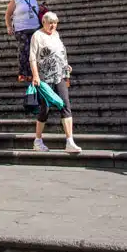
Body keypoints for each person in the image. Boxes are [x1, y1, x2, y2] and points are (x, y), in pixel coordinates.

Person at [29, 11, 81, 154]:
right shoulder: (37, 36)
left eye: (55, 23)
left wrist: (66, 66)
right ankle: (37, 141)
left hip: (59, 76)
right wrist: (35, 76)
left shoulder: (56, 34)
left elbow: (60, 52)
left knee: (65, 105)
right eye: (50, 22)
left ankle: (70, 141)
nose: (53, 25)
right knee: (44, 109)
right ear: (43, 23)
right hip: (44, 78)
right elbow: (32, 57)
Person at [5, 0, 41, 83]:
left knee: (33, 51)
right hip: (21, 30)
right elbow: (8, 14)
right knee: (24, 50)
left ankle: (30, 73)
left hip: (35, 28)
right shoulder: (16, 0)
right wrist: (9, 26)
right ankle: (22, 73)